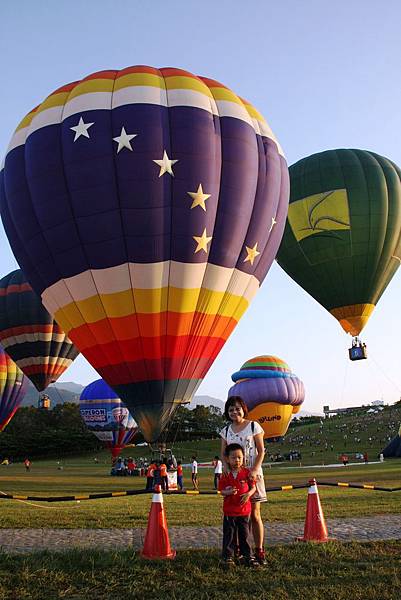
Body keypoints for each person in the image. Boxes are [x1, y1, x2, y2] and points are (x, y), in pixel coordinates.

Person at [220, 396, 267, 565]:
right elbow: (223, 453)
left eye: (237, 408)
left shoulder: (254, 426)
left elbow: (261, 451)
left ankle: (259, 550)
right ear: (227, 412)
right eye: (231, 409)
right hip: (235, 478)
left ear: (244, 409)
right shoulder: (225, 431)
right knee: (236, 515)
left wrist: (254, 469)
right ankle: (240, 551)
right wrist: (225, 468)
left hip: (252, 476)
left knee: (254, 514)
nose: (234, 412)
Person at [218, 443, 259, 567]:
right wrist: (228, 492)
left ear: (243, 458)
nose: (237, 460)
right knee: (229, 535)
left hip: (244, 511)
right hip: (230, 511)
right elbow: (221, 491)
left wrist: (248, 494)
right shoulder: (225, 474)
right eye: (233, 458)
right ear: (227, 459)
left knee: (245, 535)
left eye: (239, 457)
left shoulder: (247, 473)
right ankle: (228, 557)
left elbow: (253, 488)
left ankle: (248, 556)